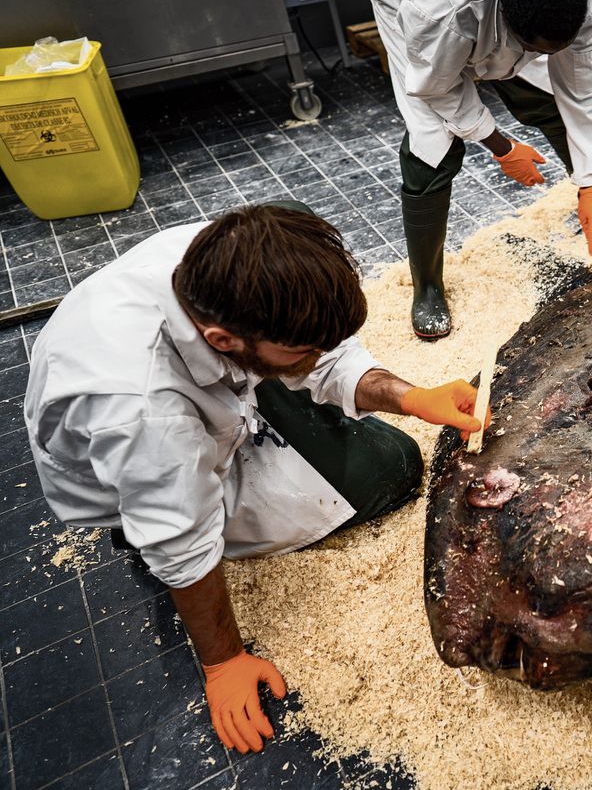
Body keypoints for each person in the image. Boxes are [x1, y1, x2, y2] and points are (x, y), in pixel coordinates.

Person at [24, 203, 488, 754]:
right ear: (224, 340)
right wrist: (222, 662)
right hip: (141, 469)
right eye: (301, 350)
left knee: (384, 442)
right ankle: (133, 529)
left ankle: (268, 399)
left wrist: (409, 397)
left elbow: (323, 352)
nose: (316, 355)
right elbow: (181, 540)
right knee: (389, 471)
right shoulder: (144, 412)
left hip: (212, 396)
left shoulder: (231, 260)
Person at [364, 0, 592, 340]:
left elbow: (586, 87)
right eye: (531, 47)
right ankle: (427, 285)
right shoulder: (438, 7)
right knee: (433, 142)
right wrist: (503, 147)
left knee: (545, 91)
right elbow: (438, 89)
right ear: (508, 22)